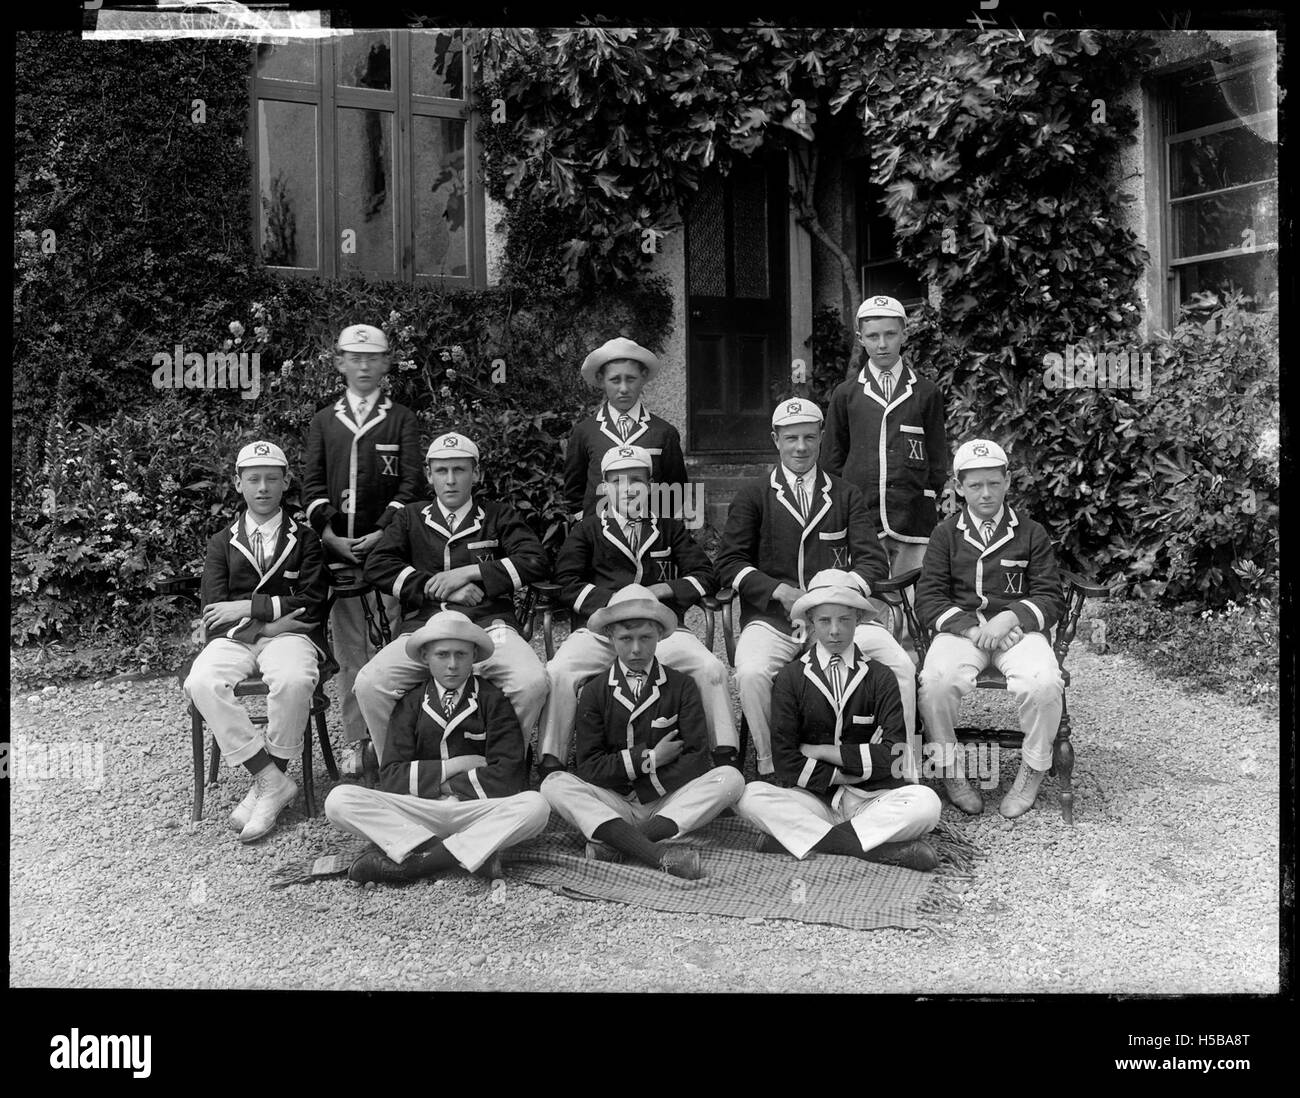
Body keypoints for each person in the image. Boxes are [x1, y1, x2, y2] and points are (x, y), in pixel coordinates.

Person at [716, 397, 917, 777]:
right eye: (791, 438)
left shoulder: (844, 493)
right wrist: (778, 591)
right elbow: (728, 563)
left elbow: (873, 561)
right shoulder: (754, 495)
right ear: (775, 438)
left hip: (841, 617)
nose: (801, 447)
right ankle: (774, 767)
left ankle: (898, 768)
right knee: (752, 672)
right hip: (775, 620)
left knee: (901, 666)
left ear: (822, 436)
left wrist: (839, 592)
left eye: (809, 437)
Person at [538, 444, 738, 773]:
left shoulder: (669, 528)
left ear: (651, 486)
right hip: (602, 632)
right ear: (604, 487)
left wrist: (664, 589)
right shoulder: (588, 529)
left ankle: (723, 756)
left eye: (637, 481)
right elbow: (566, 581)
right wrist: (615, 603)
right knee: (559, 671)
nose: (627, 489)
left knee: (710, 668)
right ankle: (551, 760)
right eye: (617, 482)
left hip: (659, 632)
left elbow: (706, 575)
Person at [357, 432, 550, 764]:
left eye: (459, 470)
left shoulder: (497, 515)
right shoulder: (409, 517)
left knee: (531, 682)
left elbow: (535, 560)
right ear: (429, 475)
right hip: (424, 629)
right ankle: (402, 766)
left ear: (476, 474)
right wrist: (440, 585)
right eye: (441, 471)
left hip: (490, 625)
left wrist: (470, 573)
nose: (450, 480)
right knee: (371, 684)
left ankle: (501, 761)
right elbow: (378, 566)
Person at [734, 570, 941, 870]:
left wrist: (822, 752)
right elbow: (785, 759)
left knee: (926, 804)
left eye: (844, 620)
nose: (834, 631)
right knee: (749, 795)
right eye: (824, 621)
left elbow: (894, 755)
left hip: (871, 799)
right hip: (815, 799)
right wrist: (842, 774)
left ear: (858, 619)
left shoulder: (880, 676)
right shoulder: (791, 678)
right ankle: (873, 849)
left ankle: (805, 839)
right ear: (809, 622)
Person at [324, 612, 549, 885]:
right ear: (425, 658)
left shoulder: (493, 700)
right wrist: (453, 767)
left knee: (536, 807)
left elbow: (508, 775)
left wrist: (443, 785)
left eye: (461, 655)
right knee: (339, 801)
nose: (452, 665)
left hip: (475, 809)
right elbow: (393, 776)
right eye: (442, 655)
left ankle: (420, 863)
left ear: (474, 656)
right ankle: (470, 852)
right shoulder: (411, 703)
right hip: (421, 811)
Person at [540, 585, 745, 880]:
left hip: (666, 799)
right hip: (615, 798)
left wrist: (649, 784)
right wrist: (648, 759)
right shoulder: (595, 691)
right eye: (625, 638)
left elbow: (695, 759)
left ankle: (619, 845)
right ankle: (658, 855)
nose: (636, 649)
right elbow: (589, 766)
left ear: (660, 637)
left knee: (731, 779)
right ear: (610, 638)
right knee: (553, 784)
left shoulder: (681, 685)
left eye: (645, 638)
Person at [183, 441, 329, 843]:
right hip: (243, 638)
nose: (262, 487)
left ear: (285, 483)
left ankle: (271, 780)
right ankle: (268, 777)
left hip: (293, 636)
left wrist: (247, 605)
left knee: (295, 678)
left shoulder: (307, 539)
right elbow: (215, 611)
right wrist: (266, 626)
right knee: (201, 682)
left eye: (271, 479)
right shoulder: (220, 542)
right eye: (253, 479)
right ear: (238, 484)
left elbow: (312, 602)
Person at [916, 439, 1066, 817]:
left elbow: (1050, 596)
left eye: (994, 483)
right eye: (975, 485)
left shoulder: (1030, 533)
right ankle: (951, 769)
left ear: (1008, 481)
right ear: (958, 486)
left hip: (1018, 633)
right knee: (936, 681)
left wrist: (1010, 617)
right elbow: (929, 599)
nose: (986, 494)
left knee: (1044, 681)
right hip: (963, 633)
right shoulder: (945, 534)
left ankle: (1033, 768)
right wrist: (973, 629)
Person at [301, 323, 422, 779]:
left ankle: (398, 740)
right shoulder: (324, 420)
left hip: (390, 552)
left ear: (387, 363)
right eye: (355, 358)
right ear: (340, 363)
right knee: (352, 651)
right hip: (339, 555)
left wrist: (385, 532)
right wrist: (328, 532)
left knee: (393, 644)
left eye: (374, 358)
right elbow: (311, 484)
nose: (365, 366)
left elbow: (412, 482)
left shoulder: (401, 418)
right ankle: (358, 741)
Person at [823, 295, 948, 582]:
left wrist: (927, 493)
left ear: (904, 334)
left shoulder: (926, 392)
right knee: (868, 600)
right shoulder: (847, 394)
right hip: (863, 514)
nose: (882, 344)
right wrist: (844, 504)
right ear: (860, 338)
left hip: (913, 513)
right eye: (873, 336)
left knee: (915, 597)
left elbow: (937, 459)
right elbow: (832, 459)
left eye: (890, 334)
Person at [563, 337, 688, 521]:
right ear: (601, 380)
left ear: (643, 377)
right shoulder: (585, 432)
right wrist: (587, 525)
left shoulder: (663, 432)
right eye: (614, 380)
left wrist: (664, 527)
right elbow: (574, 490)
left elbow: (676, 489)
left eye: (631, 379)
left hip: (650, 533)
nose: (623, 388)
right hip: (599, 537)